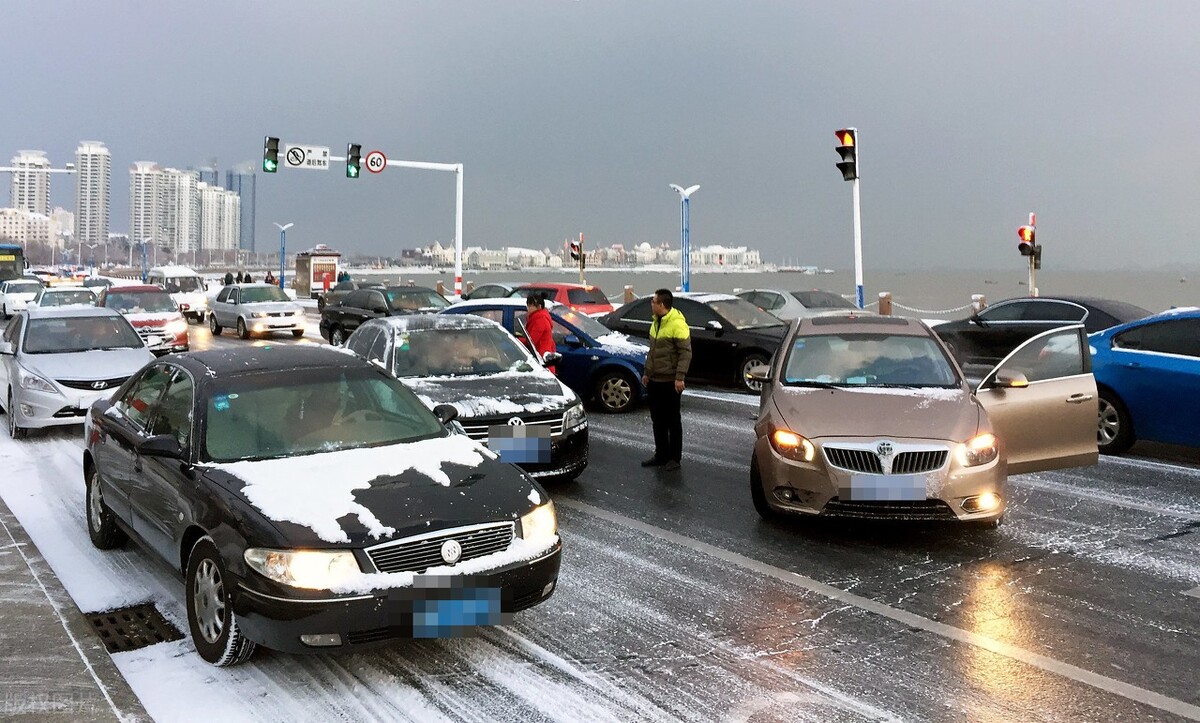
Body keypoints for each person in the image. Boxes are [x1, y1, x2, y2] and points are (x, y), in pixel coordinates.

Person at [640, 289, 692, 471]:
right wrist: (647, 372)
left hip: (670, 381)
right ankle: (661, 454)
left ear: (662, 304)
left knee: (672, 421)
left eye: (653, 301)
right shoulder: (656, 322)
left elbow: (685, 353)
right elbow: (652, 351)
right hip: (655, 379)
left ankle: (674, 458)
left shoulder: (677, 324)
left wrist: (680, 377)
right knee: (657, 419)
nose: (651, 304)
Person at [525, 293, 556, 374]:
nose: (528, 308)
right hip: (544, 360)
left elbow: (531, 341)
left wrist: (516, 341)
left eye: (531, 306)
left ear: (539, 306)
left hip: (541, 360)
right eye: (528, 305)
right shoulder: (539, 318)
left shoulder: (539, 320)